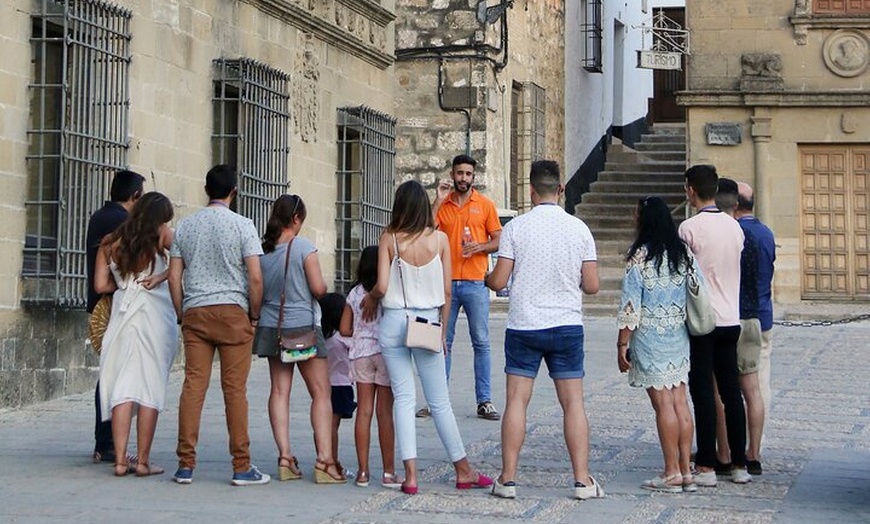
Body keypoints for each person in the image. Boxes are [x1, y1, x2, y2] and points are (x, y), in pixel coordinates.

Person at [485, 160, 605, 500]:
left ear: (531, 190)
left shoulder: (516, 228)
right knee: (573, 404)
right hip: (566, 324)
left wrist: (487, 277)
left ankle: (507, 479)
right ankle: (582, 480)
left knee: (516, 402)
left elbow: (500, 279)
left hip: (524, 324)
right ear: (562, 189)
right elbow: (593, 285)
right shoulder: (579, 229)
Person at [363, 180, 493, 495]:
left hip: (394, 321)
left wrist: (370, 298)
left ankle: (409, 476)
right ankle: (463, 469)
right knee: (439, 402)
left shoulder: (389, 238)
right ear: (424, 206)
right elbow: (447, 290)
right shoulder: (440, 240)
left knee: (404, 400)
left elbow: (381, 285)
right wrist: (443, 329)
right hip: (426, 320)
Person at [168, 164, 268, 486]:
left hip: (196, 310)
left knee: (194, 385)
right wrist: (253, 314)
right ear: (233, 192)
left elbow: (173, 276)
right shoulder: (243, 225)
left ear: (206, 189)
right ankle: (241, 465)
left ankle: (185, 464)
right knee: (234, 390)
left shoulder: (185, 227)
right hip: (233, 312)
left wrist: (182, 312)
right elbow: (254, 276)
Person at [251, 194, 344, 484]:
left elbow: (256, 287)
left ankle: (285, 457)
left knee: (279, 391)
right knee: (321, 393)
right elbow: (318, 288)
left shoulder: (262, 250)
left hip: (271, 326)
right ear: (295, 219)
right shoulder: (303, 247)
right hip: (301, 327)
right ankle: (324, 461)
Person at [616, 196, 697, 493]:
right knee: (679, 401)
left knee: (663, 405)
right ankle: (687, 469)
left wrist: (621, 343)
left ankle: (671, 471)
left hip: (650, 336)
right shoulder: (683, 253)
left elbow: (630, 306)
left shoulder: (639, 257)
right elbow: (697, 287)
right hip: (678, 333)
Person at [95, 192, 178, 477]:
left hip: (122, 316)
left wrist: (124, 284)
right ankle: (142, 462)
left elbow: (100, 285)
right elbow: (186, 257)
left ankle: (120, 461)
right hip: (155, 315)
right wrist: (162, 276)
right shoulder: (162, 236)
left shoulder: (110, 242)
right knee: (149, 387)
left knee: (123, 387)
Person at [678, 165, 751, 486]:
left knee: (704, 391)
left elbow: (683, 274)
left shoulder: (688, 228)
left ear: (691, 190)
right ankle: (739, 462)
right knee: (732, 391)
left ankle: (706, 462)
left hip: (701, 318)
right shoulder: (735, 227)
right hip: (730, 316)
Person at [430, 154, 502, 421]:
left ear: (474, 176)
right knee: (441, 341)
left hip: (475, 281)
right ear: (452, 174)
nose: (463, 178)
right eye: (459, 173)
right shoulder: (443, 204)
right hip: (445, 281)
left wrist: (481, 247)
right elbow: (425, 228)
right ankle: (438, 399)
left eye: (468, 174)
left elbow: (498, 239)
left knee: (481, 342)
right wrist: (437, 200)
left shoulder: (484, 205)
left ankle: (484, 400)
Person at [86, 169, 144, 465]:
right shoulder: (124, 223)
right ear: (135, 196)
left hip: (97, 306)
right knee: (116, 374)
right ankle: (107, 441)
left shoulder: (98, 216)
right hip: (114, 305)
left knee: (108, 371)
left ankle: (104, 440)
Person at [339, 246, 400, 489]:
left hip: (360, 354)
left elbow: (344, 329)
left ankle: (363, 472)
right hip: (385, 353)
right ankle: (388, 472)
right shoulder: (389, 292)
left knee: (364, 412)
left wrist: (361, 332)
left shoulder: (354, 294)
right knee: (385, 414)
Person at [735, 181, 776, 475]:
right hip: (762, 315)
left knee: (728, 387)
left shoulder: (734, 233)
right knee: (759, 385)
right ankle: (754, 450)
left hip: (734, 315)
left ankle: (727, 448)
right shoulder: (766, 233)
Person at [318, 292, 356, 481]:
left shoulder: (324, 337)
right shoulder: (342, 338)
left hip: (325, 385)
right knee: (333, 426)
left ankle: (324, 457)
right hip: (341, 385)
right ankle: (332, 460)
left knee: (324, 424)